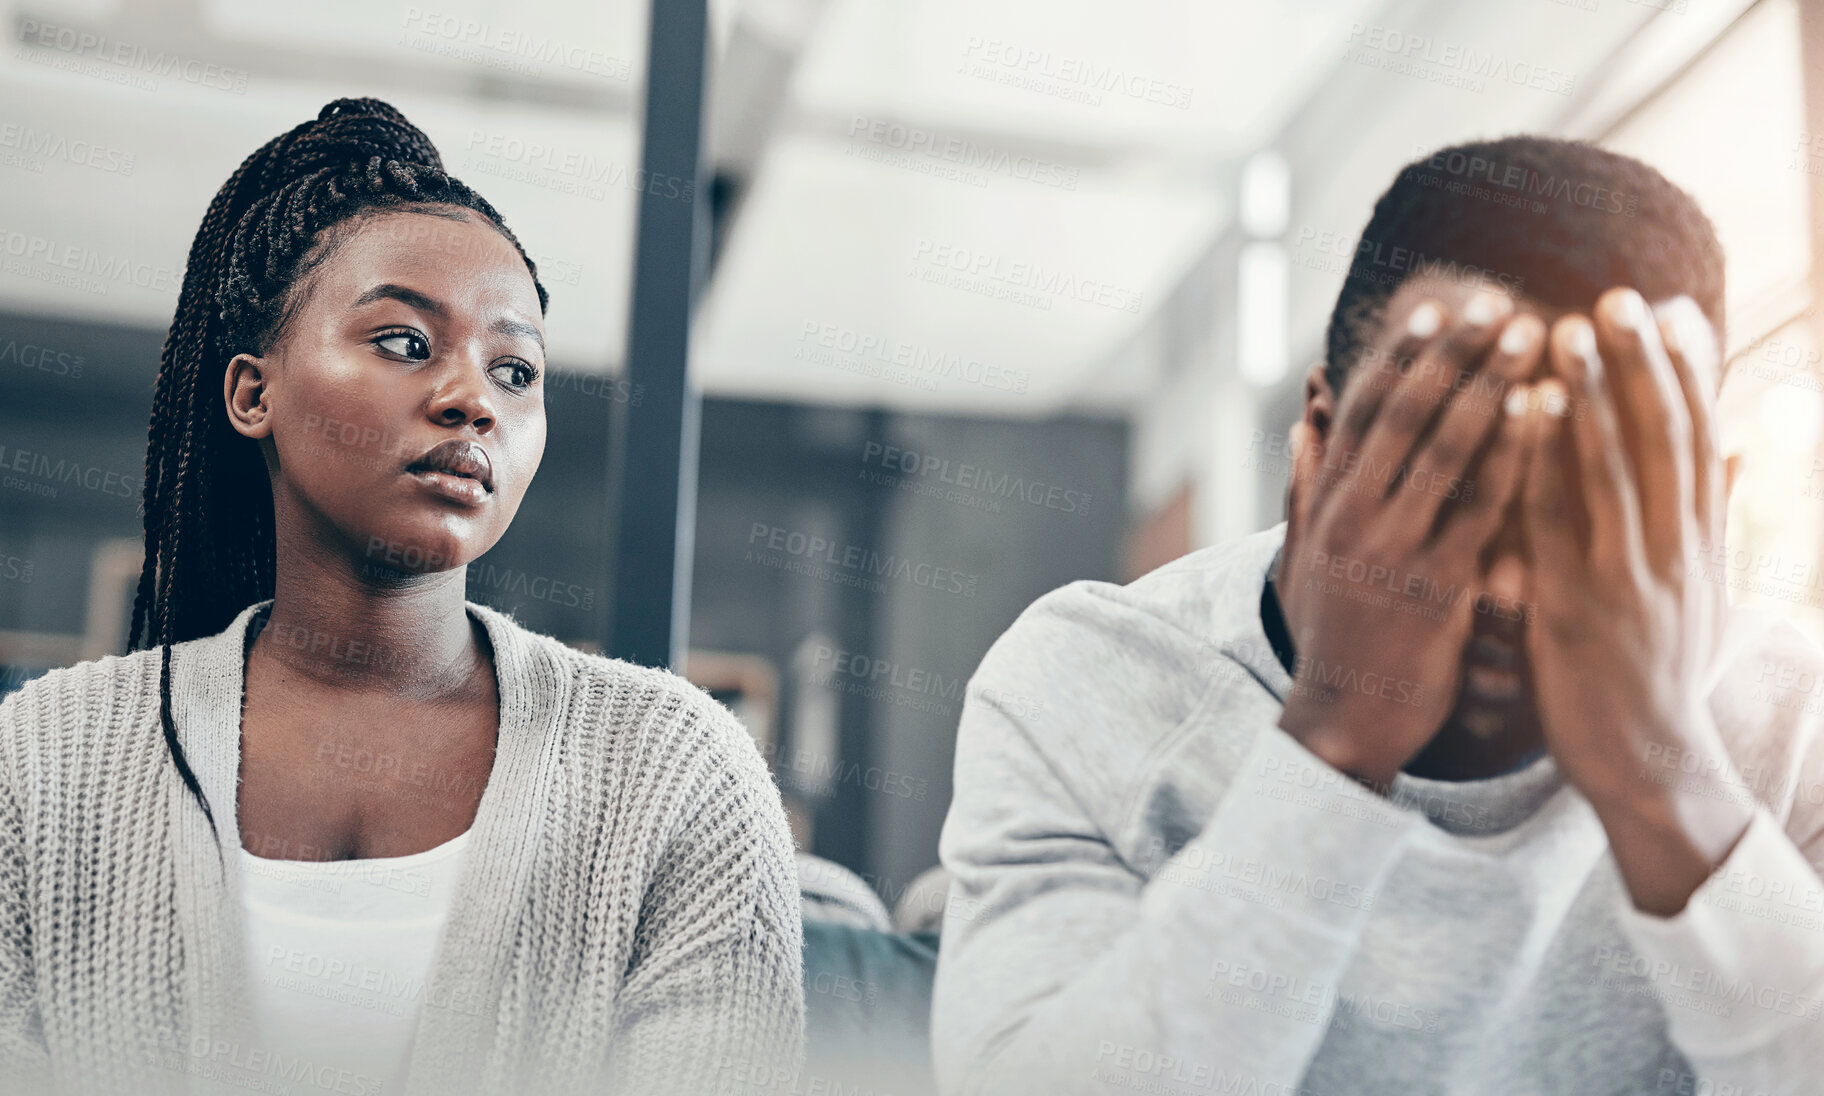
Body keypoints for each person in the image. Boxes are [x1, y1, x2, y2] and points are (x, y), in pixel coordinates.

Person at [932, 136, 1824, 1094]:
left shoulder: (1789, 721)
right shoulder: (1090, 679)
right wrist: (1334, 743)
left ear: (1707, 508)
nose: (1514, 586)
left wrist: (1666, 777)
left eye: (1591, 503)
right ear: (1320, 445)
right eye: (1449, 479)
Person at [0, 98, 804, 1096]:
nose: (474, 398)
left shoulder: (676, 772)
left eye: (516, 370)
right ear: (255, 393)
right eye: (403, 342)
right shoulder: (43, 763)